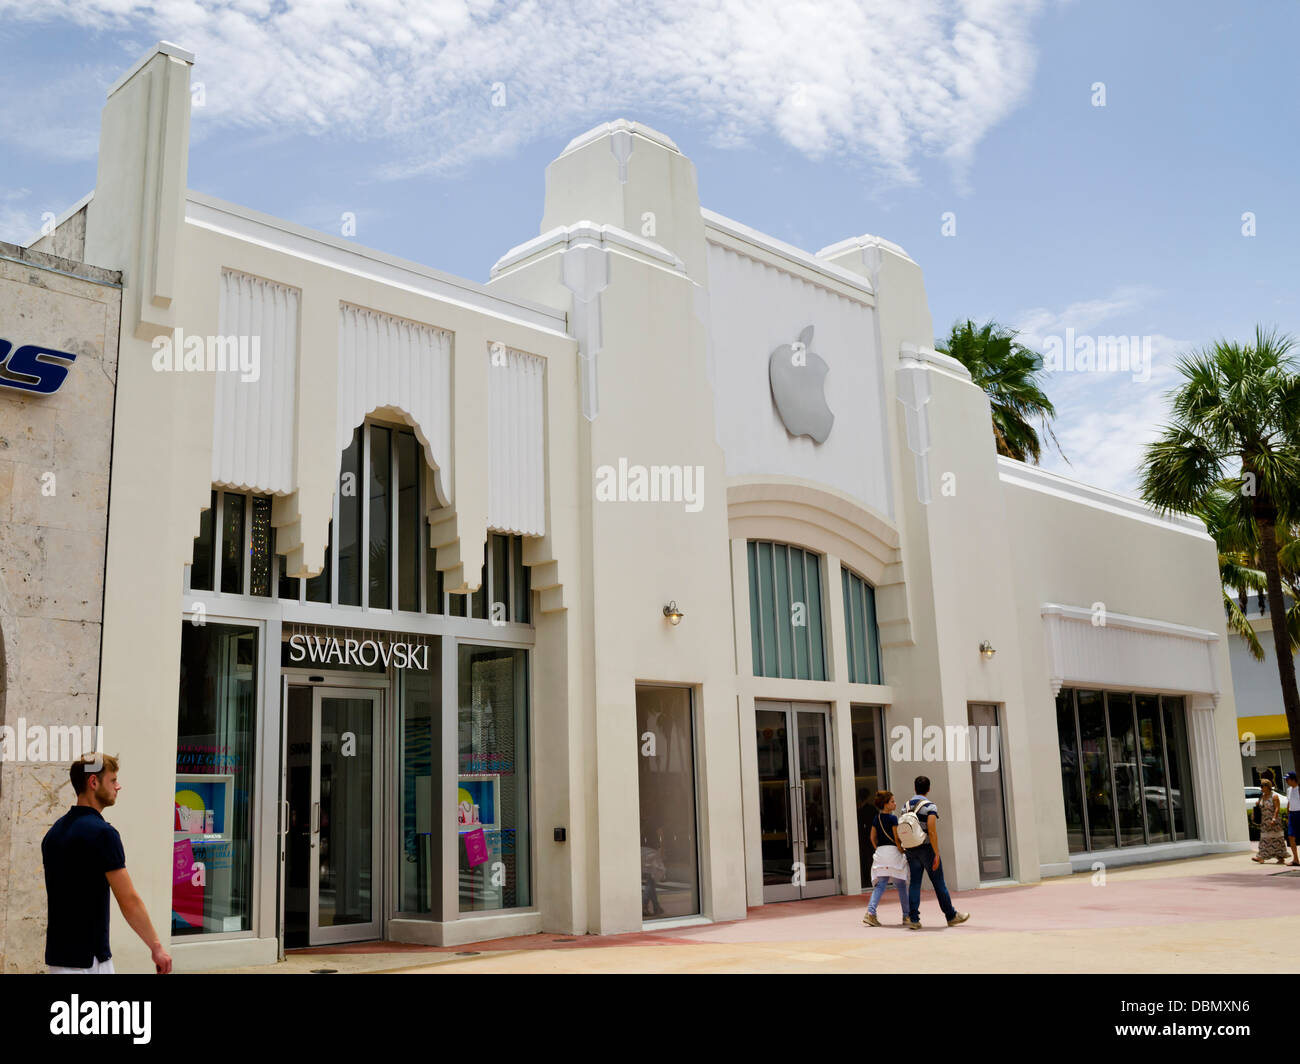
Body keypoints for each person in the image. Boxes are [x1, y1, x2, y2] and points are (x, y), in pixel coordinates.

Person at [42, 754, 173, 973]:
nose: (118, 786)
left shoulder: (53, 833)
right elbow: (129, 900)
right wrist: (156, 947)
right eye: (112, 780)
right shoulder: (103, 834)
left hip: (59, 959)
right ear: (93, 782)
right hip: (91, 961)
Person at [900, 775, 969, 930]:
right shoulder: (930, 806)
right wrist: (936, 852)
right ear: (929, 789)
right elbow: (931, 830)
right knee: (939, 883)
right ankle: (951, 916)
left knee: (915, 884)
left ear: (914, 788)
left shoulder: (905, 806)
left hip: (911, 849)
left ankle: (914, 918)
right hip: (926, 848)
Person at [862, 790, 908, 927]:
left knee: (880, 885)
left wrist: (878, 848)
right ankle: (906, 915)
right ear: (886, 804)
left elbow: (872, 837)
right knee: (901, 885)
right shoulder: (893, 819)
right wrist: (901, 849)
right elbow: (896, 838)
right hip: (893, 853)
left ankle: (871, 913)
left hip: (881, 853)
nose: (895, 803)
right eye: (892, 801)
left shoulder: (877, 818)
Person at [1252, 776, 1288, 865]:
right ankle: (1261, 857)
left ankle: (1281, 857)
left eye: (1262, 786)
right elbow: (1259, 808)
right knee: (1264, 839)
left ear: (1267, 786)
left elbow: (1277, 808)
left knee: (1277, 840)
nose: (1261, 788)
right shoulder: (1262, 796)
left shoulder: (1274, 796)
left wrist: (1274, 818)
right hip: (1265, 821)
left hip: (1273, 821)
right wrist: (1256, 807)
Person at [1286, 771, 1300, 867]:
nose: (1286, 781)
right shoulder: (1288, 790)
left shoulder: (1299, 789)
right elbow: (1289, 802)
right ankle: (1296, 859)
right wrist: (1288, 815)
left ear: (1293, 779)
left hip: (1299, 813)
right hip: (1292, 815)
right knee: (1291, 837)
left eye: (1287, 779)